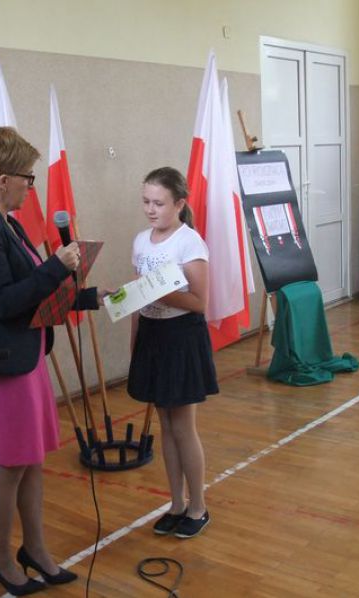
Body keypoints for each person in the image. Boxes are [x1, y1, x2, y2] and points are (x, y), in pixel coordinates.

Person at [0, 127, 105, 595]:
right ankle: (0, 558)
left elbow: (36, 293)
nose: (30, 186)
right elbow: (3, 302)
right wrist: (57, 266)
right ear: (3, 180)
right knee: (11, 464)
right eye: (28, 178)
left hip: (28, 352)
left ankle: (35, 550)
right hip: (5, 360)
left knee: (31, 459)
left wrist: (90, 297)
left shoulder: (7, 224)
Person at [127, 167, 218, 539]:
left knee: (183, 426)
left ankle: (198, 507)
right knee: (165, 425)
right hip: (152, 336)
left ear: (179, 204)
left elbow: (199, 303)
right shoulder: (140, 241)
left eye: (159, 203)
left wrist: (160, 292)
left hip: (181, 337)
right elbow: (138, 299)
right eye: (146, 202)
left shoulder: (189, 242)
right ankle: (176, 504)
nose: (151, 209)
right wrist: (135, 343)